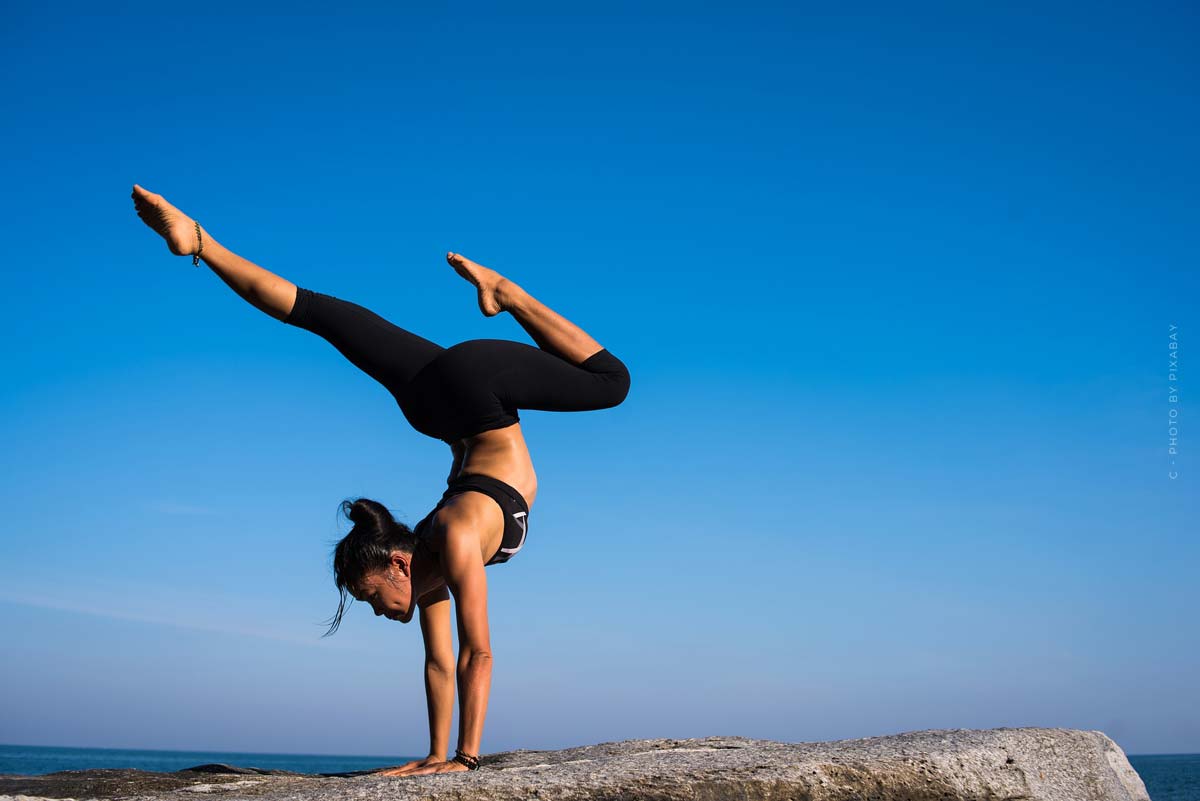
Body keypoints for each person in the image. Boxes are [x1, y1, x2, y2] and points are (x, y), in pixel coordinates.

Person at [129, 184, 631, 777]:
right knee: (319, 314)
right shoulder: (430, 562)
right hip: (436, 404)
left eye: (369, 596)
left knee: (611, 382)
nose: (376, 611)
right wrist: (435, 757)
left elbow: (480, 652)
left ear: (397, 563)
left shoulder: (454, 537)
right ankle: (200, 243)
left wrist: (466, 761)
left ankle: (507, 293)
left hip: (478, 391)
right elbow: (440, 664)